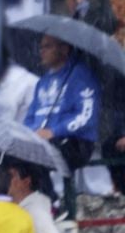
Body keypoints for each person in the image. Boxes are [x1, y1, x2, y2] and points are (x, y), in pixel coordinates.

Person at [22, 34, 99, 169]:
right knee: (10, 156)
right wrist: (32, 133)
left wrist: (54, 132)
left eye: (47, 46)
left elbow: (87, 117)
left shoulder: (81, 75)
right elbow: (29, 118)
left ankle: (47, 190)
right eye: (41, 47)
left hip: (74, 142)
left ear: (64, 49)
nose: (42, 51)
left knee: (34, 160)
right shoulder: (42, 81)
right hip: (42, 140)